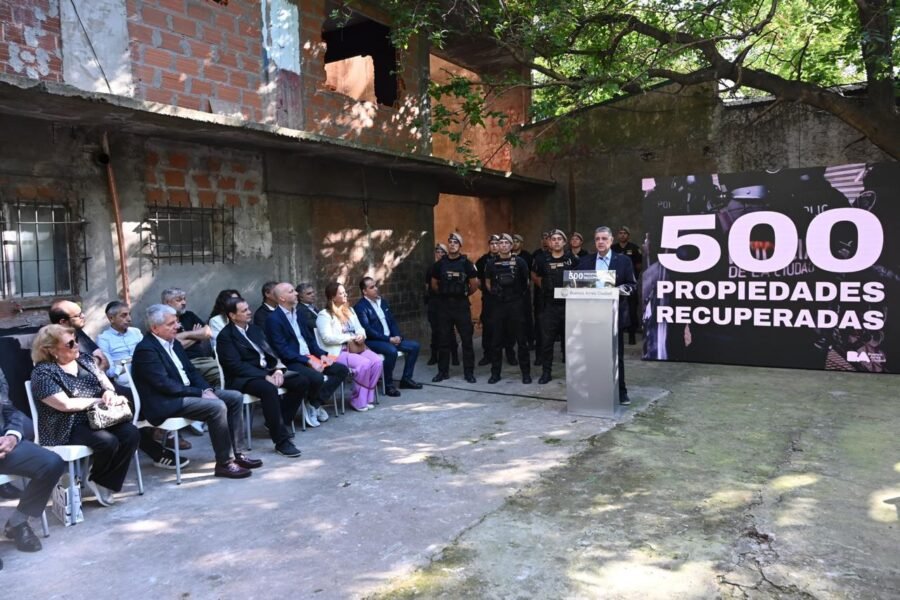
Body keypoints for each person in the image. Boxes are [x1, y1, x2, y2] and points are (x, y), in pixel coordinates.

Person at [131, 305, 259, 478]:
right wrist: (199, 393)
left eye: (176, 321)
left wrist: (206, 389)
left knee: (234, 397)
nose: (178, 326)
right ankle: (224, 463)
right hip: (166, 402)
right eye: (171, 323)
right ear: (155, 328)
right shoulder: (146, 350)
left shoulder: (173, 343)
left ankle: (239, 455)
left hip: (186, 393)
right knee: (217, 407)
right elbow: (164, 385)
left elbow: (192, 372)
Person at [30, 324, 140, 506]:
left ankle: (103, 480)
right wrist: (98, 401)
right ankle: (100, 477)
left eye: (76, 341)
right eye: (70, 344)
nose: (77, 346)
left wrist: (108, 393)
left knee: (131, 433)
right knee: (107, 441)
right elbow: (65, 405)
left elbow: (106, 383)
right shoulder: (42, 373)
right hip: (66, 425)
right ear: (51, 350)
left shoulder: (85, 360)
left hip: (99, 418)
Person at [216, 298, 306, 458]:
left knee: (301, 381)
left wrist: (278, 369)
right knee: (268, 389)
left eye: (248, 308)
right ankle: (281, 441)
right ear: (232, 315)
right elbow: (235, 366)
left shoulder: (255, 329)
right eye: (244, 310)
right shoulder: (225, 336)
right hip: (242, 378)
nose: (249, 312)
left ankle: (278, 422)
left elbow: (272, 352)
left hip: (266, 371)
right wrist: (265, 376)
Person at [265, 282, 348, 426]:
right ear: (282, 298)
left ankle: (314, 404)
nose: (296, 293)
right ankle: (309, 406)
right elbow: (282, 350)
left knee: (341, 370)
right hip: (292, 361)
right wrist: (308, 361)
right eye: (291, 291)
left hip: (310, 355)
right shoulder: (273, 319)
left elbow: (310, 340)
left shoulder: (299, 313)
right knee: (316, 378)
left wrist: (321, 355)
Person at [0, 389, 66, 558]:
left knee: (51, 463)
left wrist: (12, 436)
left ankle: (18, 521)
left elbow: (8, 409)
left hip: (3, 444)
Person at [578, 226, 637, 405]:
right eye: (597, 239)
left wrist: (618, 290)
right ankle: (593, 391)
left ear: (611, 241)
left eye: (604, 238)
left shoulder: (623, 260)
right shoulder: (585, 261)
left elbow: (632, 285)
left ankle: (621, 392)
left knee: (615, 356)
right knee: (592, 355)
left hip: (614, 315)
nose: (600, 242)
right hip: (590, 315)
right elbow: (577, 285)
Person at [316, 282, 382, 411]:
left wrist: (361, 335)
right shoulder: (324, 315)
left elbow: (360, 328)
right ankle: (357, 400)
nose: (345, 295)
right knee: (364, 364)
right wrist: (348, 337)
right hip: (338, 352)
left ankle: (367, 398)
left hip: (356, 347)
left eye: (344, 292)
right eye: (341, 293)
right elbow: (327, 338)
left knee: (377, 361)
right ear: (333, 297)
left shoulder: (350, 311)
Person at [355, 276, 423, 395]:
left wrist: (397, 336)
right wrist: (389, 339)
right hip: (373, 341)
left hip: (390, 339)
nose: (376, 288)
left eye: (376, 286)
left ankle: (406, 379)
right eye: (372, 287)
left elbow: (392, 322)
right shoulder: (360, 307)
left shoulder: (383, 302)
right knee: (391, 351)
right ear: (364, 291)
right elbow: (368, 331)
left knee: (415, 346)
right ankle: (388, 385)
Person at [430, 232, 479, 383]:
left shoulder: (466, 263)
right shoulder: (440, 264)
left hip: (461, 306)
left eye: (455, 242)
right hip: (444, 306)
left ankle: (469, 373)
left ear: (460, 245)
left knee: (466, 340)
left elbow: (474, 284)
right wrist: (445, 294)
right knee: (443, 340)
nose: (452, 245)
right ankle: (442, 372)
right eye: (450, 242)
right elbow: (434, 284)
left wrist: (463, 294)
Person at [532, 229, 580, 384]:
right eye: (553, 239)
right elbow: (535, 275)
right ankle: (546, 373)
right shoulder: (541, 259)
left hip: (569, 306)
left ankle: (575, 373)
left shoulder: (572, 259)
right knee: (547, 342)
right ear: (549, 242)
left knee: (572, 341)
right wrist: (546, 287)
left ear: (564, 242)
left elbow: (580, 279)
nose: (557, 241)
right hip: (549, 306)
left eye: (560, 239)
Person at [484, 234, 532, 384]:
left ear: (511, 246)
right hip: (498, 305)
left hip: (516, 304)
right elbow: (487, 282)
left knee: (521, 340)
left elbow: (526, 282)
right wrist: (496, 293)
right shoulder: (491, 263)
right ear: (498, 246)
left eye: (507, 242)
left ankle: (526, 374)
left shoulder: (520, 262)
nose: (504, 245)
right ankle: (495, 373)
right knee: (496, 340)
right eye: (501, 242)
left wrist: (516, 296)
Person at [161, 288, 218, 386]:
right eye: (179, 300)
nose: (184, 302)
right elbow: (172, 346)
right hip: (184, 362)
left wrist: (185, 335)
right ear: (167, 303)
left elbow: (208, 332)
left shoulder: (189, 315)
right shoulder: (161, 321)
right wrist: (196, 335)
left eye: (184, 299)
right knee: (223, 374)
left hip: (204, 359)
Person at [48, 300, 110, 374]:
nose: (83, 316)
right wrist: (95, 362)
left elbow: (104, 362)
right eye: (78, 315)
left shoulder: (78, 332)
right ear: (63, 322)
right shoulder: (54, 343)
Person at [425, 245, 458, 366]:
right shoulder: (431, 269)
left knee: (450, 331)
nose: (440, 254)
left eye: (442, 252)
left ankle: (454, 356)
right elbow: (427, 286)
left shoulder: (450, 267)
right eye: (438, 252)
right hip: (434, 303)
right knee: (435, 331)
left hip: (447, 303)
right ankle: (434, 356)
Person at [96, 301, 143, 388]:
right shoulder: (104, 339)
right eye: (124, 315)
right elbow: (110, 372)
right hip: (125, 381)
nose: (129, 319)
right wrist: (133, 362)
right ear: (111, 318)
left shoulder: (136, 332)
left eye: (129, 314)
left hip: (145, 374)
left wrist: (122, 363)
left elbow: (149, 356)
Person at [613, 226, 642, 345]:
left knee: (632, 309)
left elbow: (639, 266)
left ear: (628, 236)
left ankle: (631, 335)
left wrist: (633, 277)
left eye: (625, 233)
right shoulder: (613, 248)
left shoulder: (634, 248)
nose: (622, 235)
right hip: (615, 284)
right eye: (620, 233)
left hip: (629, 284)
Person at [475, 235, 501, 366]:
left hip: (505, 298)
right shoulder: (482, 261)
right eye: (492, 244)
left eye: (497, 243)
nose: (494, 246)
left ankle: (509, 353)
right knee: (488, 326)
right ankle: (487, 355)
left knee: (506, 326)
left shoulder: (508, 259)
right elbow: (477, 281)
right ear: (489, 245)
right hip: (489, 298)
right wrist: (487, 290)